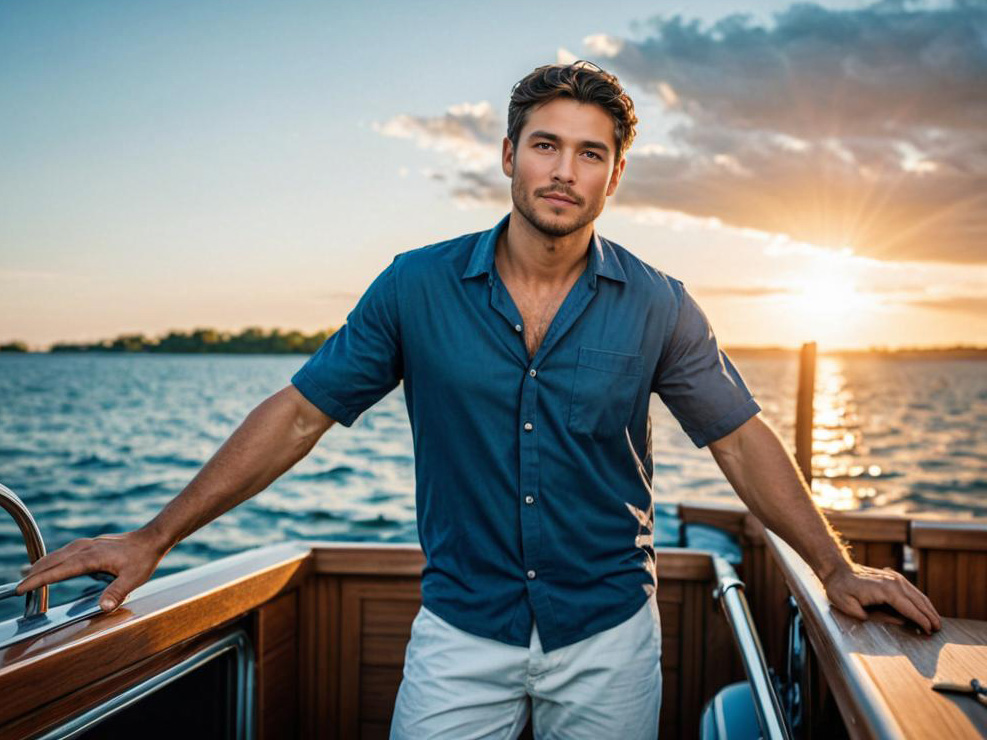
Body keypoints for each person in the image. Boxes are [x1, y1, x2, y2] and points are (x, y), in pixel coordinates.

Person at [17, 61, 941, 739]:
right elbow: (300, 414)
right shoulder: (414, 288)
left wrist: (832, 568)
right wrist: (154, 538)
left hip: (608, 635)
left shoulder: (659, 301)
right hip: (460, 631)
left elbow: (739, 442)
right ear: (507, 154)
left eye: (591, 154)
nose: (564, 172)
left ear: (614, 175)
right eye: (545, 145)